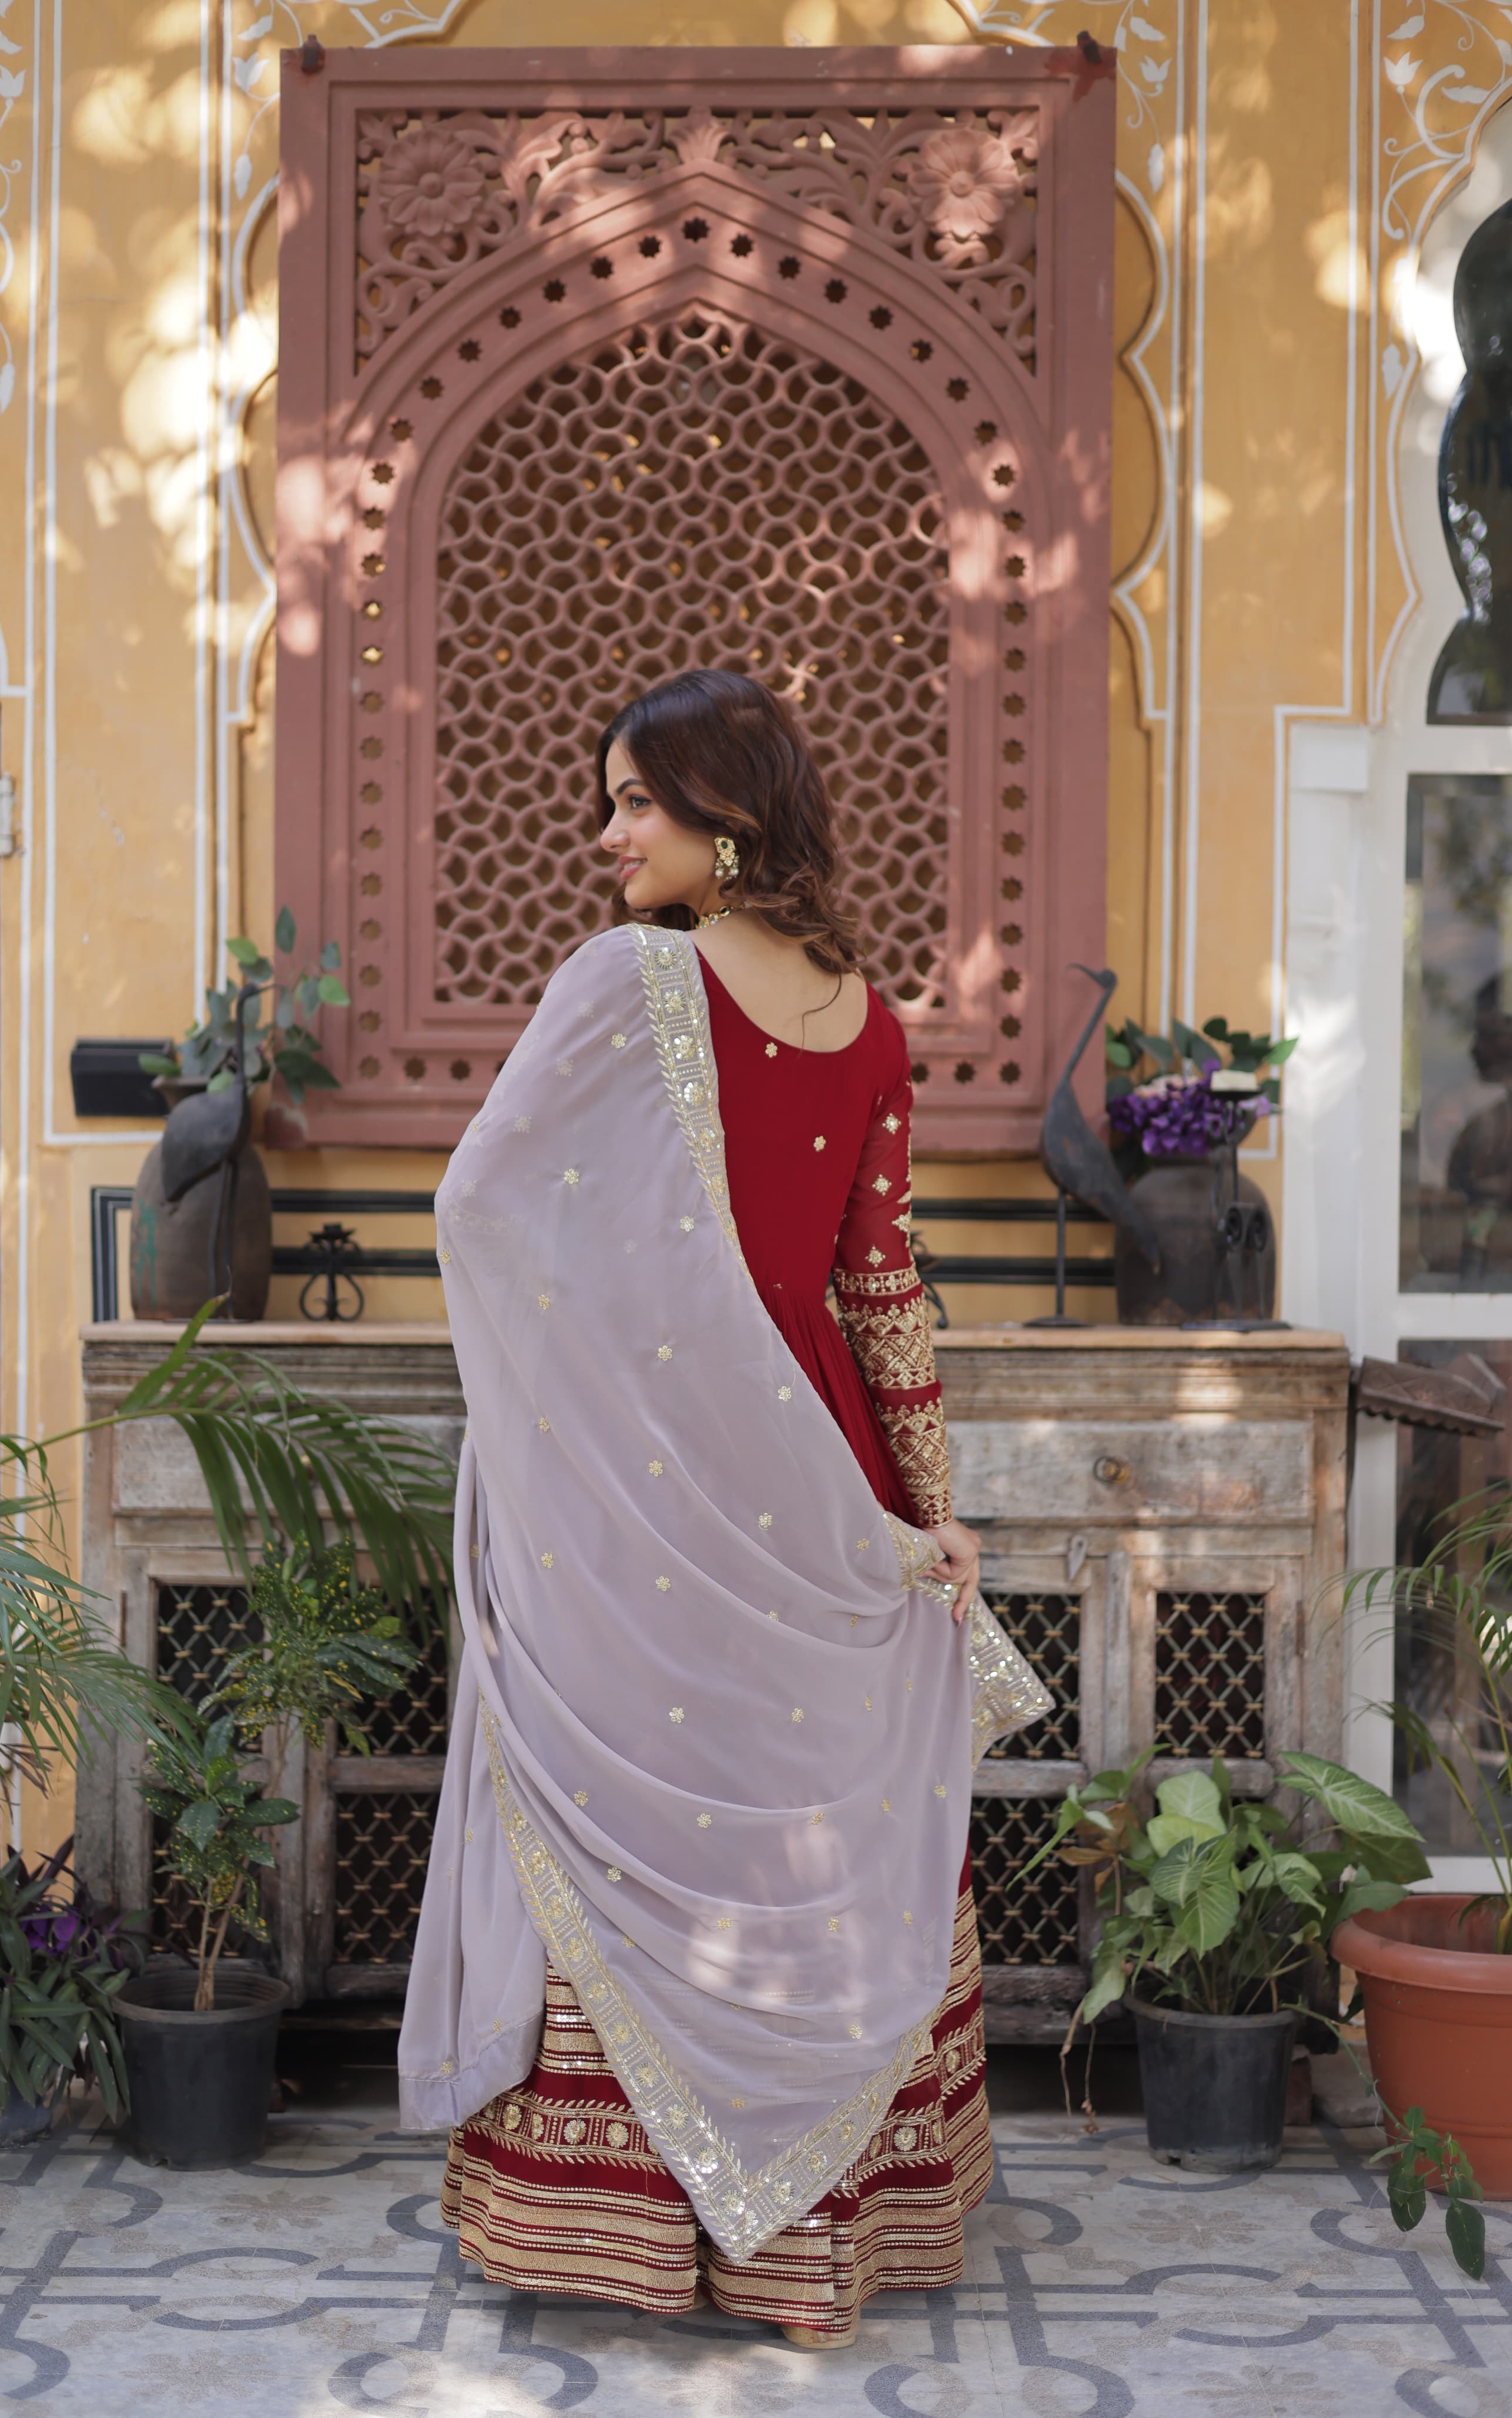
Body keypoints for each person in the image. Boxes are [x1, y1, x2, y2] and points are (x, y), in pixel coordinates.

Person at [399, 669, 1048, 2346]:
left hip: (661, 1509)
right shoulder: (869, 1014)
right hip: (824, 1484)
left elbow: (483, 1211)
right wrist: (926, 1516)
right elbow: (884, 1288)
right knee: (808, 1834)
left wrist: (599, 1410)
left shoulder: (632, 979)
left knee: (656, 1837)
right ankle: (807, 2255)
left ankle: (617, 2242)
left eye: (632, 802)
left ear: (725, 821)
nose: (603, 834)